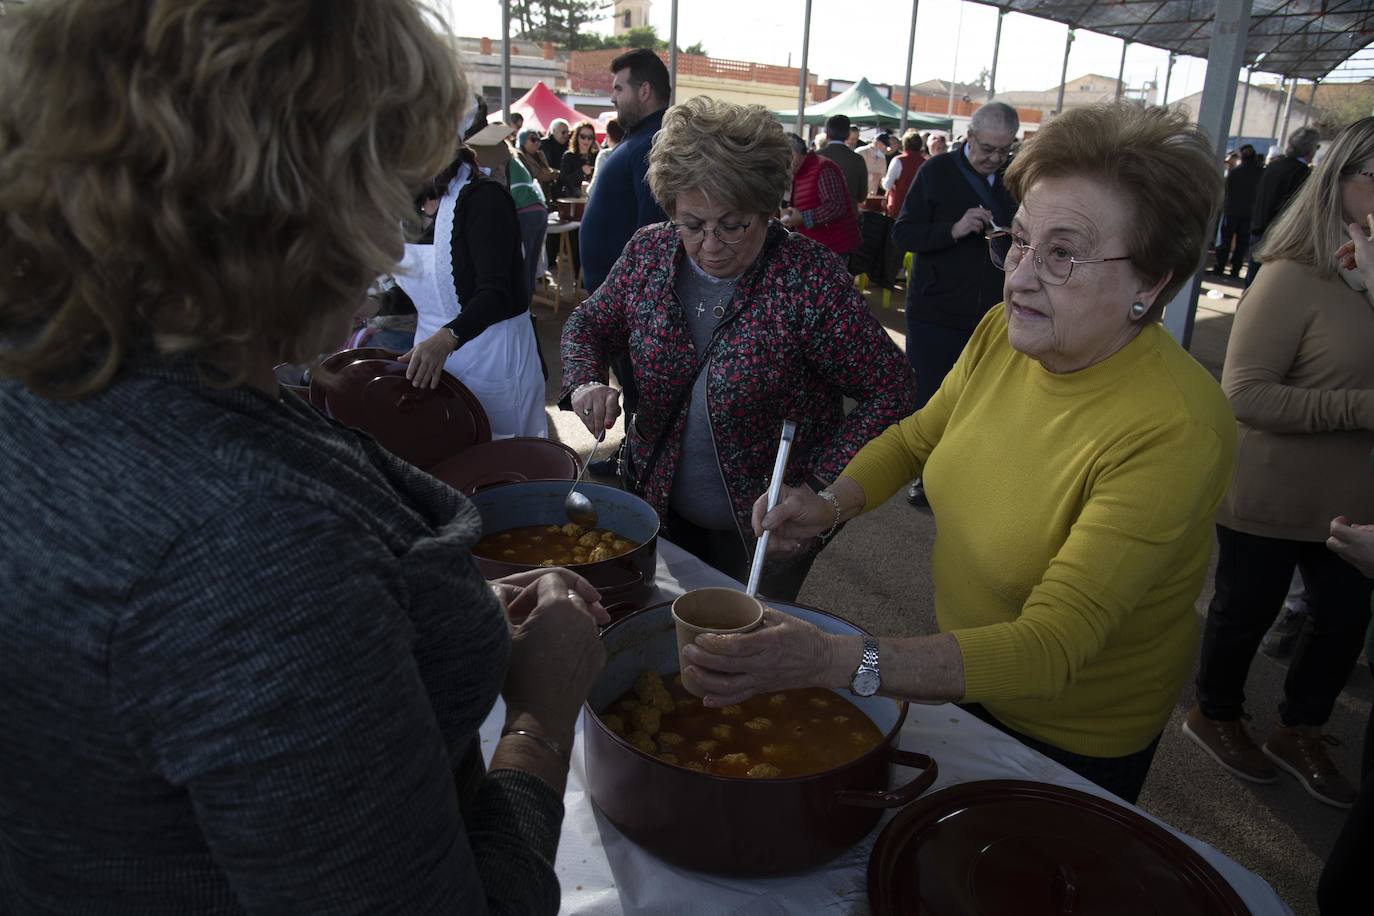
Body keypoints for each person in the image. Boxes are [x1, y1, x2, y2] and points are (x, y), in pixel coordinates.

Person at [0, 2, 608, 914]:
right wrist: (538, 719)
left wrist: (394, 614)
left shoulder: (55, 388)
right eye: (380, 178)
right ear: (287, 203)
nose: (383, 228)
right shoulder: (252, 546)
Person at [681, 103, 1235, 806]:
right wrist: (827, 504)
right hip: (956, 669)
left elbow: (1050, 646)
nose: (1022, 278)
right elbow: (919, 437)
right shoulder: (1005, 330)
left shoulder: (1176, 429)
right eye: (1021, 241)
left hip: (1071, 733)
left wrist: (832, 659)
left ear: (1152, 282)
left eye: (1062, 254)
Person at [561, 97, 915, 601]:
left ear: (768, 208)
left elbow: (892, 388)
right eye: (692, 223)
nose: (710, 243)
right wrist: (585, 380)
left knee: (747, 649)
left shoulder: (807, 278)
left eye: (733, 224)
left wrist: (818, 490)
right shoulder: (649, 251)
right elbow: (588, 323)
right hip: (654, 502)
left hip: (769, 531)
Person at [1183, 117, 1374, 810]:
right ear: (1341, 181)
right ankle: (1217, 712)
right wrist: (1359, 409)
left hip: (1356, 502)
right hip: (1271, 491)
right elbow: (1245, 393)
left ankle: (1302, 729)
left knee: (1343, 620)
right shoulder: (1293, 275)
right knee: (1245, 612)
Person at [892, 101, 1018, 506]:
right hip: (936, 309)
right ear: (970, 136)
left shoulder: (1015, 179)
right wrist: (954, 228)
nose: (994, 158)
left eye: (1003, 150)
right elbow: (904, 234)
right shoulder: (936, 171)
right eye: (987, 148)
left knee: (983, 399)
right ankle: (926, 477)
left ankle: (965, 475)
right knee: (930, 397)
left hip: (993, 312)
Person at [579, 47, 672, 475]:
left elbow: (653, 232)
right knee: (632, 385)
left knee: (641, 387)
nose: (613, 97)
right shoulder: (640, 140)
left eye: (619, 88)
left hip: (632, 302)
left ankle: (641, 465)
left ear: (645, 90)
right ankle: (633, 456)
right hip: (619, 300)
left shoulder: (654, 143)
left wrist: (638, 303)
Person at [1246, 126, 1320, 287]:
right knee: (1268, 285)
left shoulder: (1274, 166)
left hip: (1259, 228)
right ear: (1310, 149)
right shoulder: (1301, 173)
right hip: (1279, 235)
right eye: (1317, 146)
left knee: (1252, 282)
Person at [780, 132, 861, 257]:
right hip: (815, 246)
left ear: (793, 154)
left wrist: (803, 218)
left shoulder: (822, 167)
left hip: (833, 248)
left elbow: (836, 206)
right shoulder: (799, 172)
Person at [1214, 144, 1263, 280]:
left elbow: (1227, 190)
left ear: (1242, 156)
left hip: (1231, 211)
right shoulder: (1260, 173)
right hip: (1249, 213)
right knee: (1242, 243)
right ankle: (1236, 269)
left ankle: (1220, 267)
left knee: (1225, 241)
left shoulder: (1235, 172)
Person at [816, 113, 869, 206]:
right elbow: (862, 195)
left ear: (827, 134)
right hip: (848, 213)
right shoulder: (857, 159)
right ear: (848, 134)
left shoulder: (815, 157)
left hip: (819, 214)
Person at [882, 130, 927, 218]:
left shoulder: (898, 160)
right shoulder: (925, 163)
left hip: (898, 208)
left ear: (904, 144)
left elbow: (887, 185)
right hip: (918, 210)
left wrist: (882, 180)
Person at [517, 126, 560, 203]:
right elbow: (539, 175)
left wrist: (553, 173)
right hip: (529, 197)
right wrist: (557, 174)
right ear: (523, 141)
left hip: (544, 196)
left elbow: (548, 170)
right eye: (533, 140)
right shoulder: (520, 156)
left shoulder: (540, 154)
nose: (537, 142)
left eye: (538, 140)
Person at [558, 118, 598, 198]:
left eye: (590, 137)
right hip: (573, 199)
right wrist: (581, 171)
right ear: (577, 137)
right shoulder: (569, 156)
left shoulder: (596, 156)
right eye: (583, 136)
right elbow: (564, 180)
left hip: (592, 198)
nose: (586, 140)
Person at [857, 131, 891, 198]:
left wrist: (887, 184)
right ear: (875, 142)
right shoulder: (860, 152)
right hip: (857, 193)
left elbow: (882, 176)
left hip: (872, 194)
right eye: (882, 144)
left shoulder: (882, 158)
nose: (883, 147)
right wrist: (871, 176)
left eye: (884, 145)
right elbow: (854, 172)